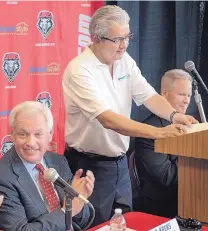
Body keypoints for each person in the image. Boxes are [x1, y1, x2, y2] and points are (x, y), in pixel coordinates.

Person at [62, 5, 198, 226]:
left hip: (119, 164)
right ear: (97, 37)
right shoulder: (79, 70)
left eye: (127, 37)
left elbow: (148, 96)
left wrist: (173, 115)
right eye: (117, 39)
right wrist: (158, 132)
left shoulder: (124, 61)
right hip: (89, 165)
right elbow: (107, 119)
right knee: (94, 225)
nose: (124, 45)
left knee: (123, 223)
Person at [0, 101, 95, 231]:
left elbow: (81, 222)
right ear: (12, 135)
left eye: (38, 134)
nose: (31, 142)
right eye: (23, 134)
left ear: (50, 135)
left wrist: (79, 200)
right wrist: (67, 211)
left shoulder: (58, 162)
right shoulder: (1, 178)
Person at [134, 69, 193, 218]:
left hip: (190, 198)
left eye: (189, 95)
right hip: (163, 209)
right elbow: (166, 177)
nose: (186, 101)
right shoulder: (148, 131)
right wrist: (199, 162)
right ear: (165, 93)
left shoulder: (190, 124)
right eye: (181, 94)